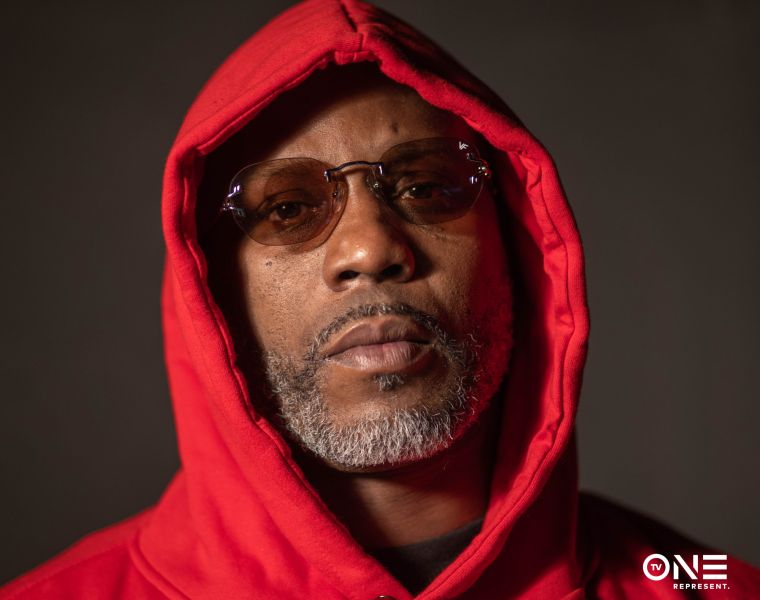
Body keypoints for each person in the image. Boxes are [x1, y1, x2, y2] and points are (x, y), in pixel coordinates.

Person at [1, 0, 758, 598]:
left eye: (427, 188)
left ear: (521, 251)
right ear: (210, 291)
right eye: (288, 209)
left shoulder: (707, 585)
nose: (369, 250)